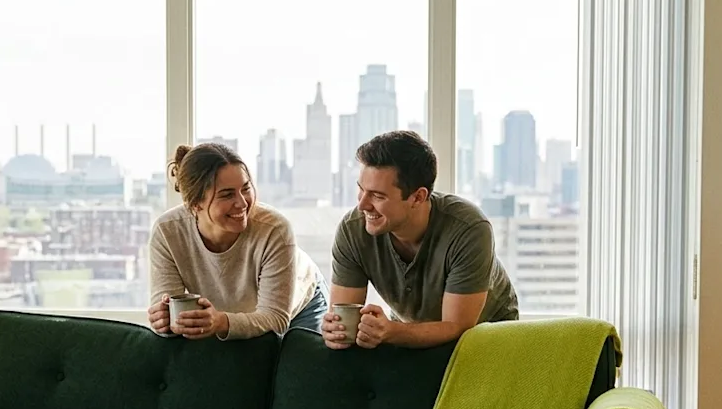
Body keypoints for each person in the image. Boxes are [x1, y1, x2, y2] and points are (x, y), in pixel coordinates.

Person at [321, 130, 518, 350]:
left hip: (488, 338)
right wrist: (336, 332)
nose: (362, 205)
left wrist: (390, 331)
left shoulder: (468, 229)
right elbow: (343, 317)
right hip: (409, 333)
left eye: (377, 196)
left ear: (418, 197)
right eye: (361, 190)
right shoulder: (353, 231)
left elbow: (457, 327)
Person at [147, 142, 327, 340]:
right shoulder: (168, 232)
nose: (242, 203)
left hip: (301, 307)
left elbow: (275, 318)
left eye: (246, 188)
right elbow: (168, 313)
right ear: (195, 203)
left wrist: (220, 322)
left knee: (293, 366)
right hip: (229, 313)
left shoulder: (275, 230)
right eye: (227, 195)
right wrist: (164, 322)